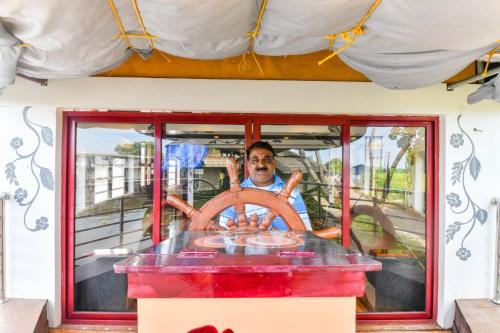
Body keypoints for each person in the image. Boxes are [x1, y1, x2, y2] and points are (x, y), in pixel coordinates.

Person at [219, 141, 312, 231]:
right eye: (255, 160)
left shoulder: (294, 195)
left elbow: (305, 232)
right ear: (248, 164)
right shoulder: (234, 196)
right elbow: (223, 236)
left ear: (274, 163)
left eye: (267, 160)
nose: (261, 165)